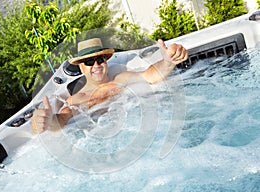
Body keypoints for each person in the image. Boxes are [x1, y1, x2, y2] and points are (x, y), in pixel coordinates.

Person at [31, 38, 188, 133]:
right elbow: (62, 119)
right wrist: (47, 122)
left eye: (100, 60)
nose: (97, 65)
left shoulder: (120, 79)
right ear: (81, 67)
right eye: (90, 62)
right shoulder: (75, 100)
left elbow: (151, 75)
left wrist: (168, 62)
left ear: (106, 62)